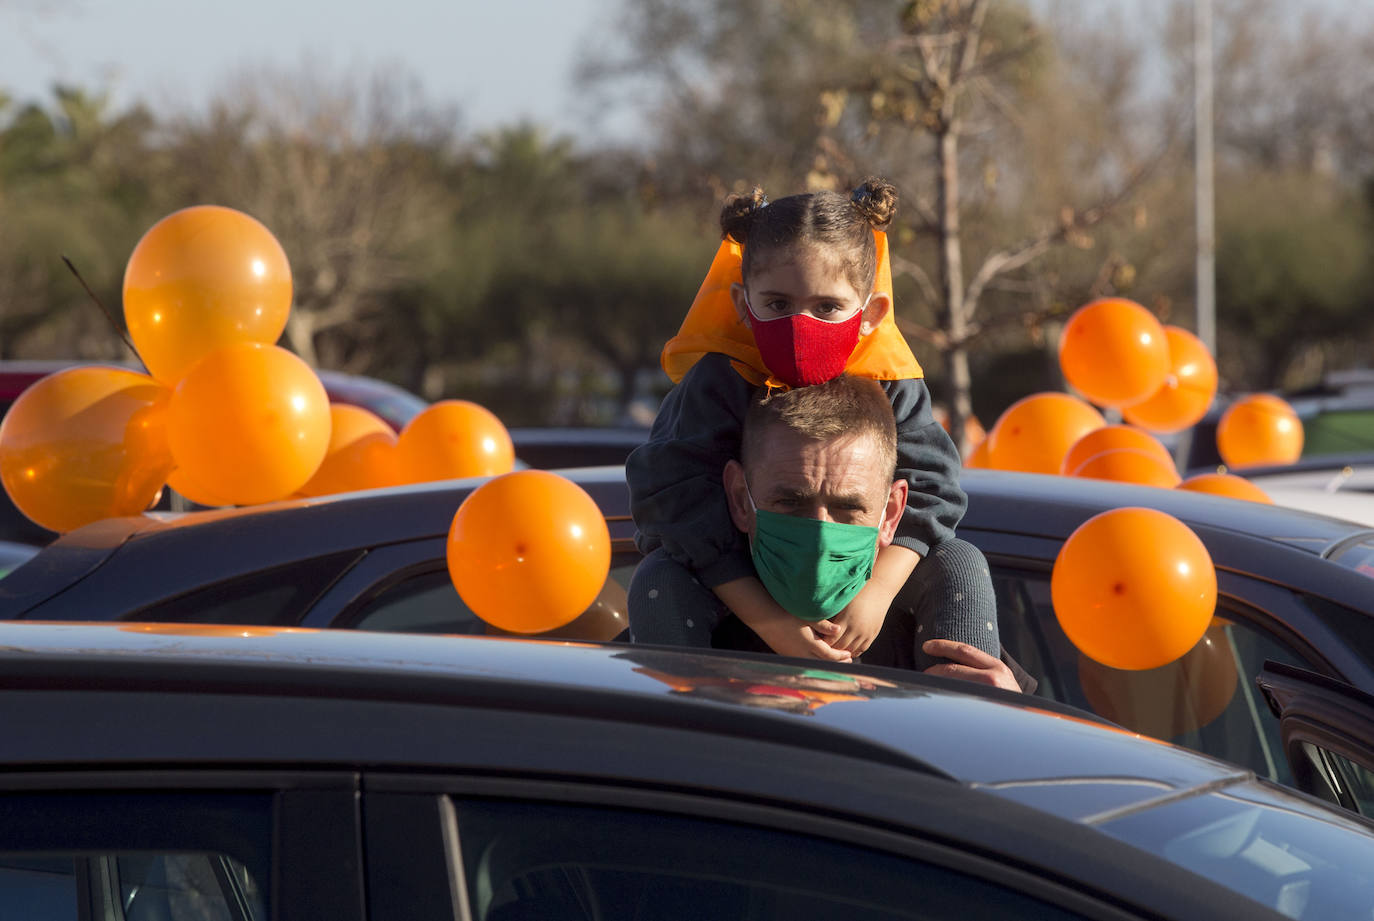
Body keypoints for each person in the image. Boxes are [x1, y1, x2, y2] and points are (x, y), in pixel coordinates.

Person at [627, 177, 998, 667]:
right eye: (778, 304)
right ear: (743, 304)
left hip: (861, 588)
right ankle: (681, 727)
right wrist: (769, 622)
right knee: (659, 577)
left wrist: (877, 596)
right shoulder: (716, 380)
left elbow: (934, 488)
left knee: (960, 562)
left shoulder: (893, 381)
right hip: (735, 585)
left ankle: (964, 721)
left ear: (871, 314)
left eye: (827, 307)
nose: (801, 326)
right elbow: (673, 496)